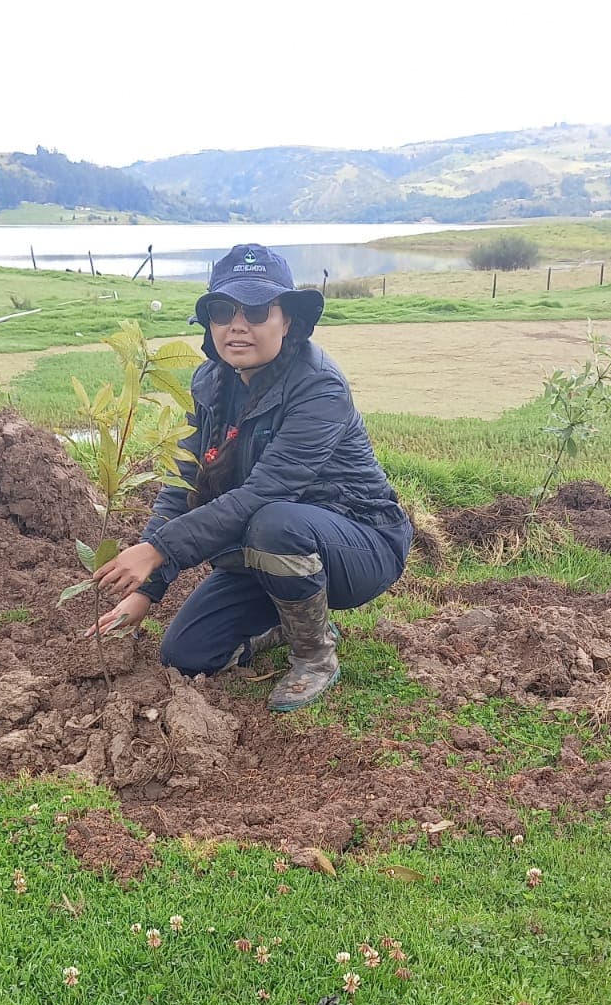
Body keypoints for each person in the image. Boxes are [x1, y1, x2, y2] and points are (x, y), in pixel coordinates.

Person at [84, 243, 413, 711]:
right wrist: (147, 591)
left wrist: (157, 551)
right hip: (266, 550)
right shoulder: (209, 384)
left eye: (257, 310)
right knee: (187, 654)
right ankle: (294, 619)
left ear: (288, 320)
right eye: (223, 310)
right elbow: (182, 488)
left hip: (358, 542)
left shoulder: (319, 388)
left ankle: (315, 654)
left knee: (274, 520)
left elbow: (266, 492)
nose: (237, 324)